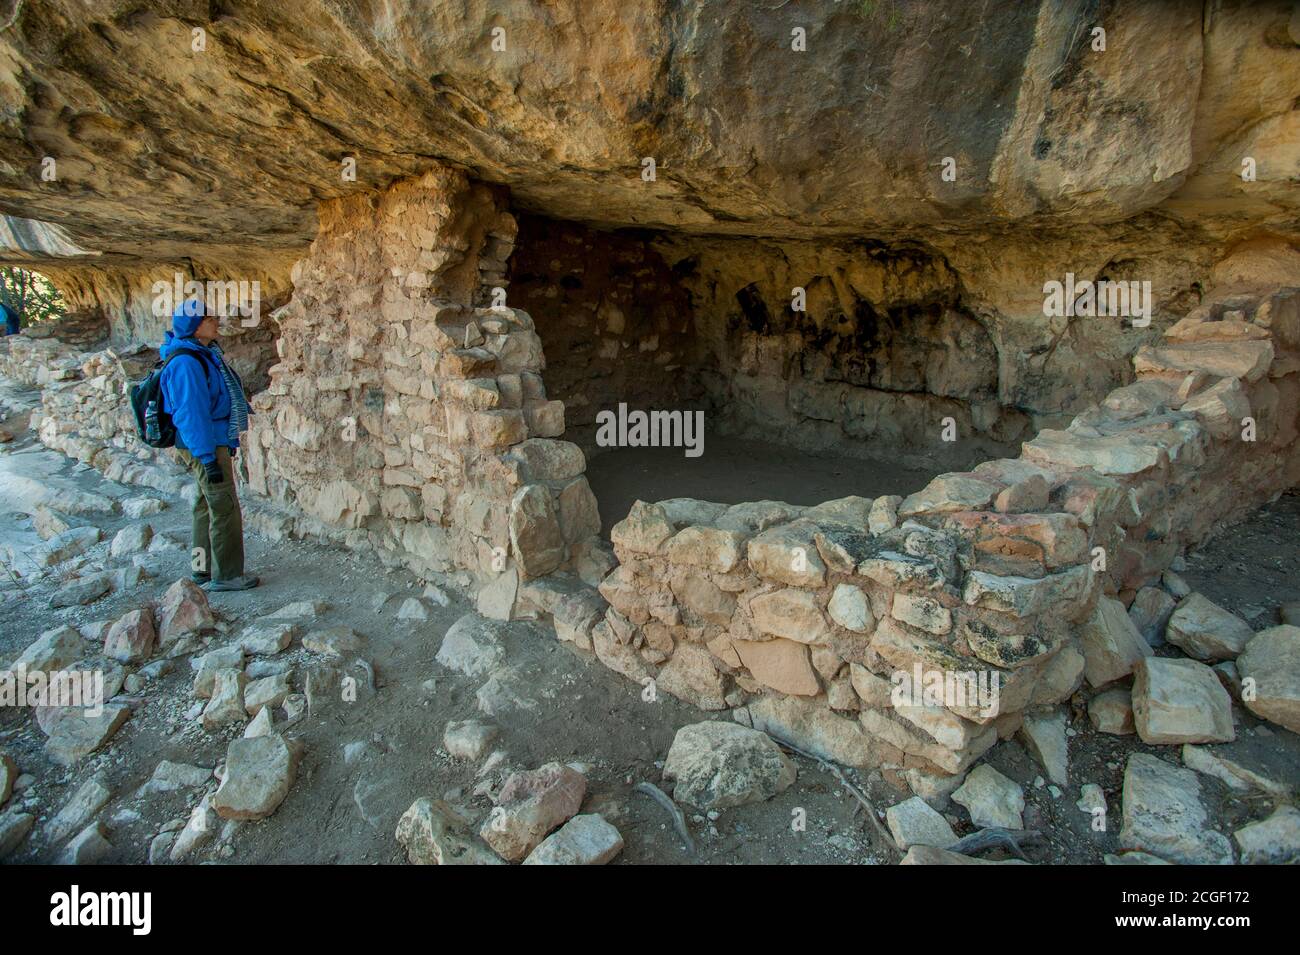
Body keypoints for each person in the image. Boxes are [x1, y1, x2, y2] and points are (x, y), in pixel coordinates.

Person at [160, 299, 258, 591]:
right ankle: (227, 575)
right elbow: (191, 413)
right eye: (210, 317)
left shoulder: (200, 356)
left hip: (206, 442)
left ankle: (201, 570)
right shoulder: (187, 363)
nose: (216, 321)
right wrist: (207, 457)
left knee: (205, 505)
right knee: (223, 506)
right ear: (196, 325)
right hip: (205, 444)